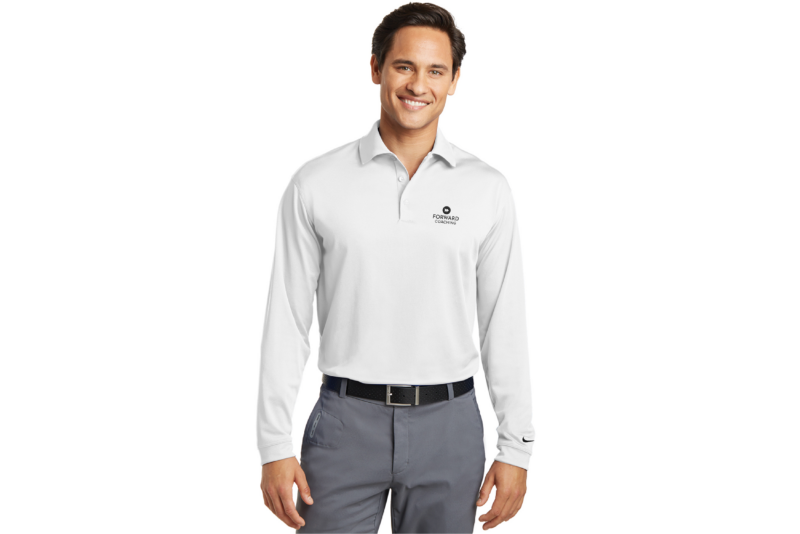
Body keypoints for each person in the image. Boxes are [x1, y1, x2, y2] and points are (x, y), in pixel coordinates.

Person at [257, 3, 535, 532]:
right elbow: (287, 320)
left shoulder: (487, 189)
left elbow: (504, 322)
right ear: (376, 68)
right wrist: (273, 443)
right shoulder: (316, 183)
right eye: (404, 66)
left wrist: (516, 445)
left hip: (449, 425)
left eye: (435, 71)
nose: (418, 85)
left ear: (454, 80)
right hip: (344, 422)